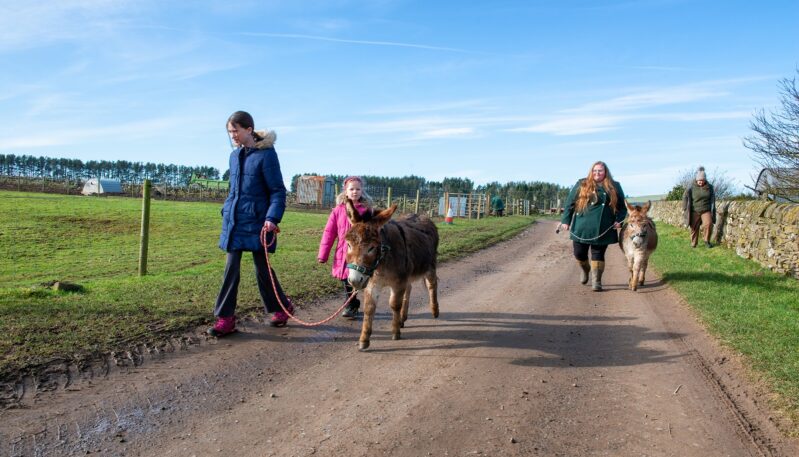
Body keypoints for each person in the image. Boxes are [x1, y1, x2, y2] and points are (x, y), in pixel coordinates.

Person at [208, 111, 293, 337]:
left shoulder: (267, 155)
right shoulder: (234, 157)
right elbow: (233, 190)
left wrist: (271, 218)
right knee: (230, 269)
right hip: (235, 222)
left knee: (262, 269)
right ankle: (225, 319)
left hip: (259, 223)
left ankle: (281, 308)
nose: (232, 135)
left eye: (235, 130)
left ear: (248, 129)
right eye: (229, 132)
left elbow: (277, 191)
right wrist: (226, 210)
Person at [559, 161, 627, 291]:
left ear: (605, 172)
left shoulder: (614, 186)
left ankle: (597, 281)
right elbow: (570, 203)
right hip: (581, 225)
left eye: (600, 171)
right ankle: (585, 269)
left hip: (603, 226)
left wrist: (619, 220)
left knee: (598, 253)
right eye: (595, 170)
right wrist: (566, 220)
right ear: (591, 171)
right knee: (579, 253)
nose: (597, 173)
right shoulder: (582, 183)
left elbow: (622, 208)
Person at [318, 176, 373, 319]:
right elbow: (329, 233)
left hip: (360, 253)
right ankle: (351, 304)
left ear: (362, 191)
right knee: (346, 281)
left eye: (358, 189)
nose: (355, 192)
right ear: (345, 191)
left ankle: (355, 304)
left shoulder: (366, 211)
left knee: (359, 278)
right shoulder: (337, 211)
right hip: (344, 252)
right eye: (352, 189)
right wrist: (323, 254)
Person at [682, 166, 716, 248]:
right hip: (694, 210)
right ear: (697, 180)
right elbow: (685, 196)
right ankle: (694, 243)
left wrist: (713, 209)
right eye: (699, 180)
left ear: (705, 180)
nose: (701, 182)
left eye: (702, 180)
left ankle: (706, 241)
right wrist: (684, 208)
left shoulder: (710, 187)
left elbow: (712, 198)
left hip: (706, 210)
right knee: (694, 227)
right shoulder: (691, 187)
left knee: (708, 224)